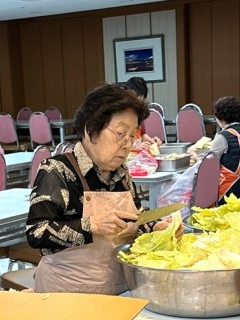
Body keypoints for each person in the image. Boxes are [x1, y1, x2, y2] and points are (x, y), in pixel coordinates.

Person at [26, 83, 172, 295]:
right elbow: (36, 232)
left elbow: (133, 222)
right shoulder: (57, 170)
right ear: (90, 129)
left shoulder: (122, 174)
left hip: (119, 290)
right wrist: (92, 225)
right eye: (120, 133)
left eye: (132, 136)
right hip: (66, 295)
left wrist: (154, 229)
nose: (127, 144)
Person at [206, 96, 240, 203]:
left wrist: (195, 155)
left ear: (220, 118)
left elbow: (207, 165)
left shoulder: (223, 136)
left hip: (229, 194)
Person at [123, 76, 162, 149]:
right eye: (136, 98)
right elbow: (118, 142)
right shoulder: (121, 114)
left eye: (142, 99)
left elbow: (142, 135)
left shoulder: (139, 113)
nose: (139, 102)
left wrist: (151, 140)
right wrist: (134, 147)